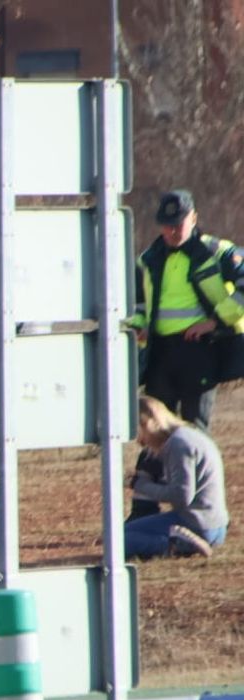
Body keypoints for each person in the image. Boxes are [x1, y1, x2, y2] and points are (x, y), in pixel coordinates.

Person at [124, 190, 244, 431]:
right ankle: (154, 470)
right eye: (167, 225)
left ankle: (198, 468)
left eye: (179, 223)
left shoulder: (217, 252)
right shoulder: (148, 259)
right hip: (160, 351)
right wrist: (139, 326)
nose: (173, 231)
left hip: (200, 350)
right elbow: (136, 302)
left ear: (194, 219)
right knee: (154, 426)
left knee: (194, 427)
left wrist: (214, 321)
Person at [125, 395, 228, 559]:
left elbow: (181, 496)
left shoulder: (178, 445)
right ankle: (181, 541)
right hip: (215, 525)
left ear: (148, 424)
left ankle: (177, 545)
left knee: (120, 540)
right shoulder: (188, 435)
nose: (139, 441)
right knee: (125, 533)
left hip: (199, 525)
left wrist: (141, 485)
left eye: (138, 432)